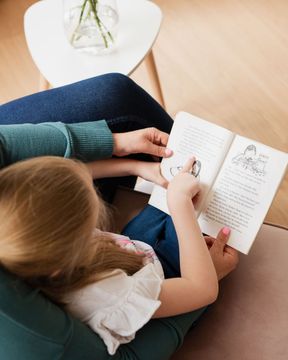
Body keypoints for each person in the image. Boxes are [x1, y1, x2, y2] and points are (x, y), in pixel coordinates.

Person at [0, 73, 239, 358]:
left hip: (133, 250)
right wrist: (181, 209)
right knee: (214, 216)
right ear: (75, 244)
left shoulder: (21, 234)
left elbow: (77, 173)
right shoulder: (105, 294)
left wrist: (133, 167)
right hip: (168, 281)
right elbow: (201, 290)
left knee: (179, 201)